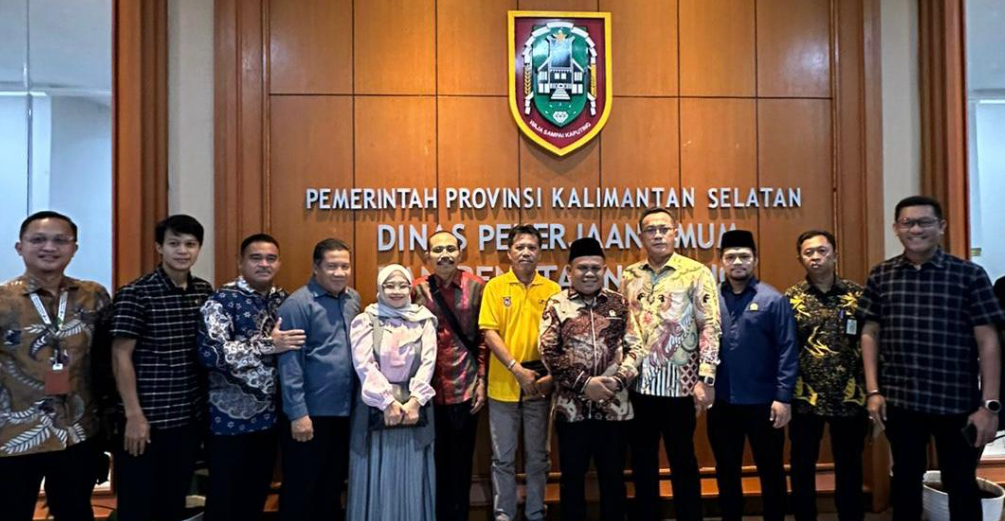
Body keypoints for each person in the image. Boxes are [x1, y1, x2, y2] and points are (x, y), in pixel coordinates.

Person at [860, 195, 1004, 520]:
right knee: (905, 481)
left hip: (956, 401)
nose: (916, 229)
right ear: (896, 228)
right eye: (908, 223)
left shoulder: (969, 275)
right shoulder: (881, 275)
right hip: (901, 400)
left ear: (941, 226)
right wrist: (873, 391)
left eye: (924, 222)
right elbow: (870, 332)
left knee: (961, 483)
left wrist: (989, 406)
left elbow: (988, 341)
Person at [0, 211, 111, 521]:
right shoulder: (3, 301)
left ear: (74, 248)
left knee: (76, 511)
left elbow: (106, 361)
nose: (49, 247)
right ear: (20, 247)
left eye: (60, 240)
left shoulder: (93, 296)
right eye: (38, 240)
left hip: (78, 430)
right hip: (14, 434)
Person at [618, 207, 721, 521]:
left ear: (676, 232)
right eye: (651, 230)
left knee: (682, 460)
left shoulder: (696, 273)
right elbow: (623, 326)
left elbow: (709, 326)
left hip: (681, 386)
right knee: (642, 461)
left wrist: (706, 377)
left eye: (664, 229)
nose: (658, 235)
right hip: (638, 385)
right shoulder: (630, 275)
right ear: (641, 236)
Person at [110, 214, 213, 521]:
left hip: (187, 417)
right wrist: (133, 415)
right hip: (146, 419)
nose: (182, 251)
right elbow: (120, 355)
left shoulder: (203, 291)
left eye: (190, 244)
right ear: (159, 247)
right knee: (138, 505)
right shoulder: (136, 293)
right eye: (174, 243)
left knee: (172, 503)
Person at [197, 234, 302, 521]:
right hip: (227, 421)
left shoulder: (284, 300)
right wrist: (269, 344)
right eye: (256, 258)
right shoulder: (221, 300)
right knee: (224, 499)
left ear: (279, 263)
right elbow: (211, 353)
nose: (264, 264)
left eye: (271, 258)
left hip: (269, 419)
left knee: (255, 497)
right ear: (240, 262)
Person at [539, 237, 645, 521]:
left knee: (613, 480)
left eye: (595, 268)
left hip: (615, 409)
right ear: (569, 271)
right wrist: (585, 384)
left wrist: (618, 380)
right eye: (582, 267)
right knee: (572, 480)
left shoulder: (618, 303)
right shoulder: (556, 304)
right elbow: (548, 351)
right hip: (571, 410)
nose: (589, 273)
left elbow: (636, 347)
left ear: (604, 270)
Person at [708, 229, 798, 521]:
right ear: (721, 260)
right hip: (722, 402)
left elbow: (787, 350)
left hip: (764, 403)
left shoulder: (773, 300)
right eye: (731, 256)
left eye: (744, 256)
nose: (738, 262)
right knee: (726, 471)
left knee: (771, 471)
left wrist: (783, 398)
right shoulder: (710, 300)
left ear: (755, 260)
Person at [479, 224, 561, 521]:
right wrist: (516, 369)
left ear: (540, 253)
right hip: (503, 384)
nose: (526, 252)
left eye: (532, 247)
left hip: (540, 385)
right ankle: (504, 514)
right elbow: (489, 332)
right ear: (509, 252)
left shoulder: (552, 291)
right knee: (502, 457)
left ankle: (536, 512)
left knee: (538, 457)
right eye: (520, 247)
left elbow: (559, 338)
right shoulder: (495, 287)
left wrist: (550, 377)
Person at [784, 230, 867, 521]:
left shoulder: (857, 295)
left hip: (850, 396)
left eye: (822, 251)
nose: (816, 257)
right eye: (808, 253)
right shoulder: (791, 298)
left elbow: (871, 343)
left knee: (850, 465)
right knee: (801, 466)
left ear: (835, 254)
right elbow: (785, 349)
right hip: (805, 397)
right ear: (800, 258)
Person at [276, 238, 360, 521]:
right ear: (316, 268)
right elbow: (289, 363)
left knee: (332, 486)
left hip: (344, 412)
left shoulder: (352, 299)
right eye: (332, 266)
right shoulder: (297, 304)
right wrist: (298, 414)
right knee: (302, 489)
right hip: (310, 415)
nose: (339, 272)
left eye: (345, 266)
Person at [347, 264, 438, 520]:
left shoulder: (424, 319)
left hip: (414, 408)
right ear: (380, 288)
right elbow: (364, 364)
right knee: (377, 468)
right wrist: (387, 402)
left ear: (411, 288)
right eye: (389, 285)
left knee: (412, 471)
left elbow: (429, 361)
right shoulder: (366, 320)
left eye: (402, 285)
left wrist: (415, 401)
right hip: (375, 408)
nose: (396, 291)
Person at [411, 230, 487, 521]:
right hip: (426, 391)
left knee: (461, 464)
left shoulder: (477, 287)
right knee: (432, 463)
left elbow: (484, 338)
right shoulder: (416, 289)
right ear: (427, 256)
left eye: (450, 249)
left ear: (460, 254)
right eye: (437, 250)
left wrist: (482, 381)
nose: (444, 255)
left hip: (465, 387)